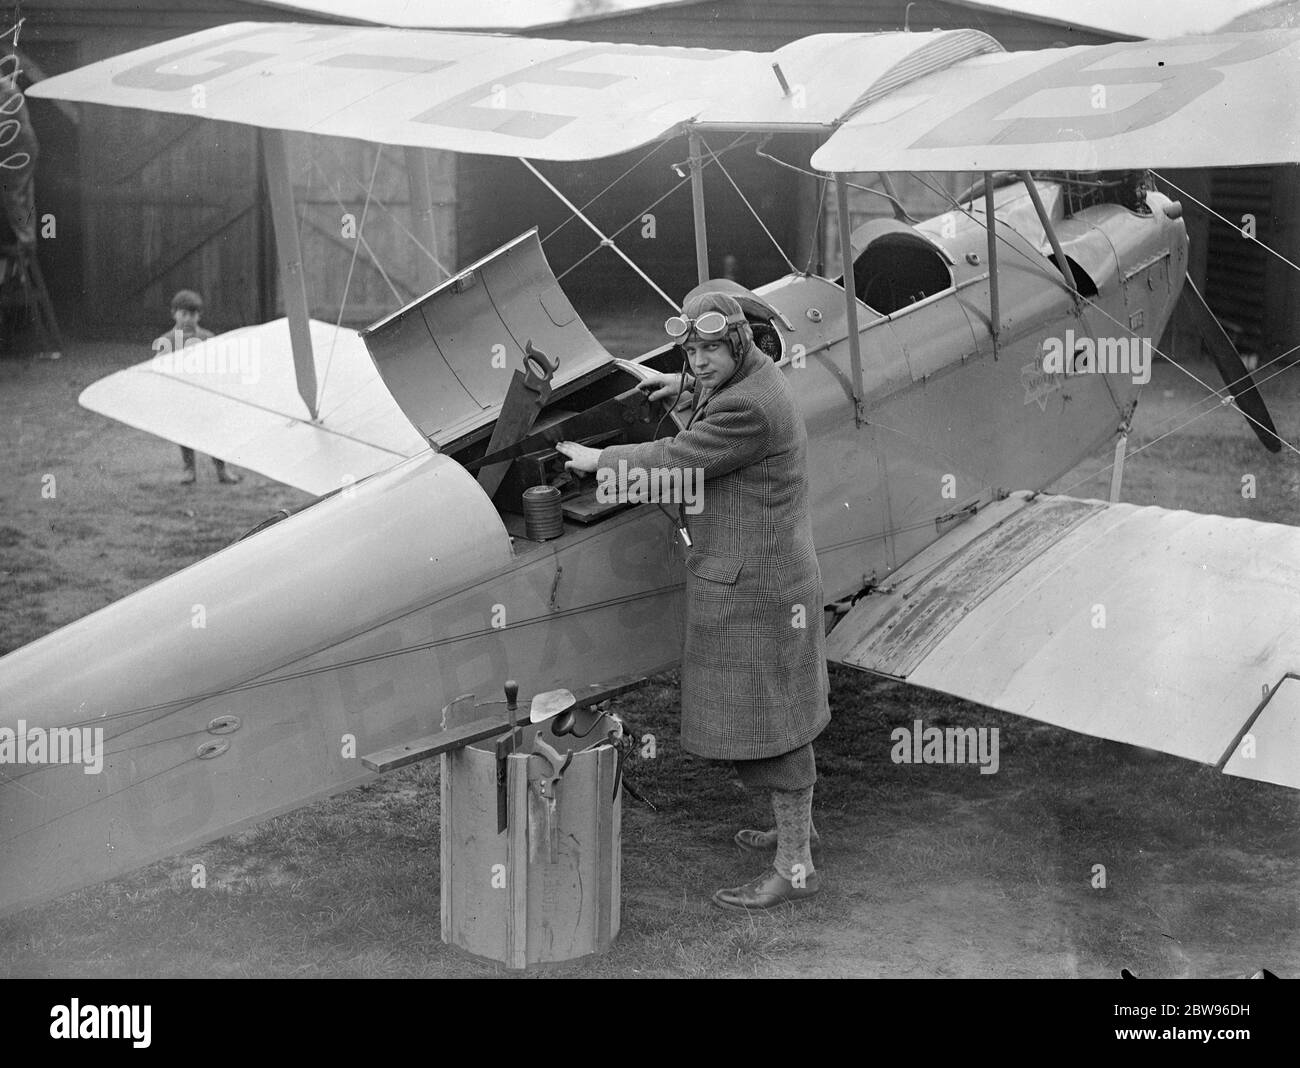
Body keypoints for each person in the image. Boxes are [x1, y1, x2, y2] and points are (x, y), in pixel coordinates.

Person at [556, 290, 831, 910]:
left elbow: (678, 459)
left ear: (739, 343)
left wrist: (600, 459)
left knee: (775, 727)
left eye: (710, 350)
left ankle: (795, 866)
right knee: (779, 716)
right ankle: (797, 832)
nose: (699, 362)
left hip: (758, 589)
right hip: (762, 578)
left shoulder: (752, 409)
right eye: (691, 351)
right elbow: (716, 408)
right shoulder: (753, 379)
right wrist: (677, 389)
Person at [154, 289, 240, 485]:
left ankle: (222, 470)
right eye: (183, 314)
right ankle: (189, 470)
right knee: (185, 433)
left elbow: (220, 364)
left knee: (214, 433)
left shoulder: (208, 337)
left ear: (199, 315)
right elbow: (158, 367)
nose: (187, 319)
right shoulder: (166, 340)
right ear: (174, 313)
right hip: (181, 396)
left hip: (205, 395)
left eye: (192, 315)